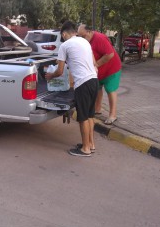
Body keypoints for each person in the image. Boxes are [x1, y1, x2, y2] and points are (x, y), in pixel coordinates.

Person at [45, 21, 98, 157]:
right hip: (94, 80)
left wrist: (50, 76)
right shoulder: (84, 41)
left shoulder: (65, 45)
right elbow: (91, 61)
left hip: (83, 84)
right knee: (90, 115)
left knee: (83, 118)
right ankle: (91, 144)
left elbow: (60, 71)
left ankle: (85, 149)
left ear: (64, 34)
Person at [78, 24, 122, 125]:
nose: (81, 39)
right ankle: (97, 109)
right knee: (97, 89)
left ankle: (113, 115)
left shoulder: (99, 38)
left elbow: (110, 54)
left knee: (110, 90)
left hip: (111, 69)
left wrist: (97, 64)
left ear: (89, 32)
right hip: (98, 71)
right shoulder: (86, 41)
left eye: (83, 36)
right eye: (79, 36)